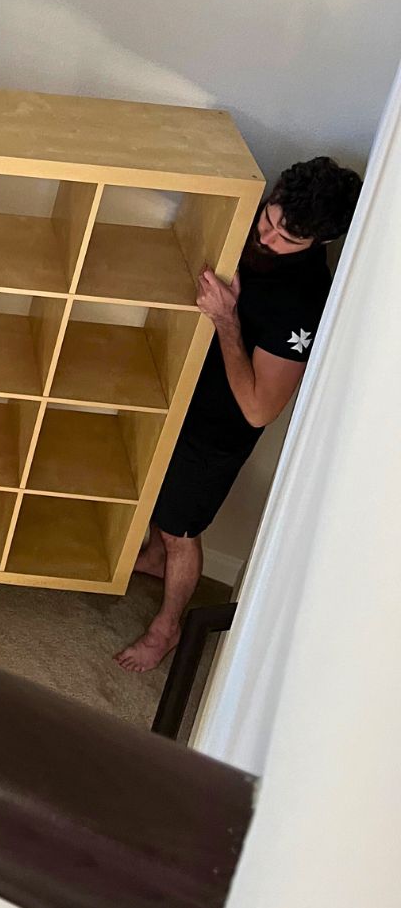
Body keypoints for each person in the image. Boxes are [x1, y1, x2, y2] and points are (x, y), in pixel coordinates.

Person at [116, 156, 361, 673]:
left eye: (284, 238)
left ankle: (168, 627)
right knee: (154, 501)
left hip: (217, 429)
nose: (266, 238)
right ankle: (155, 561)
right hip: (179, 390)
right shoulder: (250, 229)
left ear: (319, 242)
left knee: (183, 530)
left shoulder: (303, 301)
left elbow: (257, 410)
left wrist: (227, 321)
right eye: (267, 221)